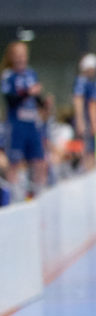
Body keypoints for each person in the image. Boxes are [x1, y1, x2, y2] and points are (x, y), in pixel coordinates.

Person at [2, 40, 48, 198]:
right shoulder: (8, 75)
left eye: (23, 55)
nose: (21, 58)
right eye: (17, 55)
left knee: (39, 161)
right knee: (14, 162)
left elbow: (36, 97)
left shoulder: (31, 73)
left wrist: (44, 103)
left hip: (32, 124)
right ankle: (14, 197)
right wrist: (28, 92)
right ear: (12, 57)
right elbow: (10, 99)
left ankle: (37, 195)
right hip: (16, 125)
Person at [72, 52, 96, 170]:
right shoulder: (81, 81)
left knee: (94, 151)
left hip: (90, 122)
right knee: (86, 151)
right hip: (86, 122)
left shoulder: (90, 82)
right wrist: (80, 121)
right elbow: (78, 100)